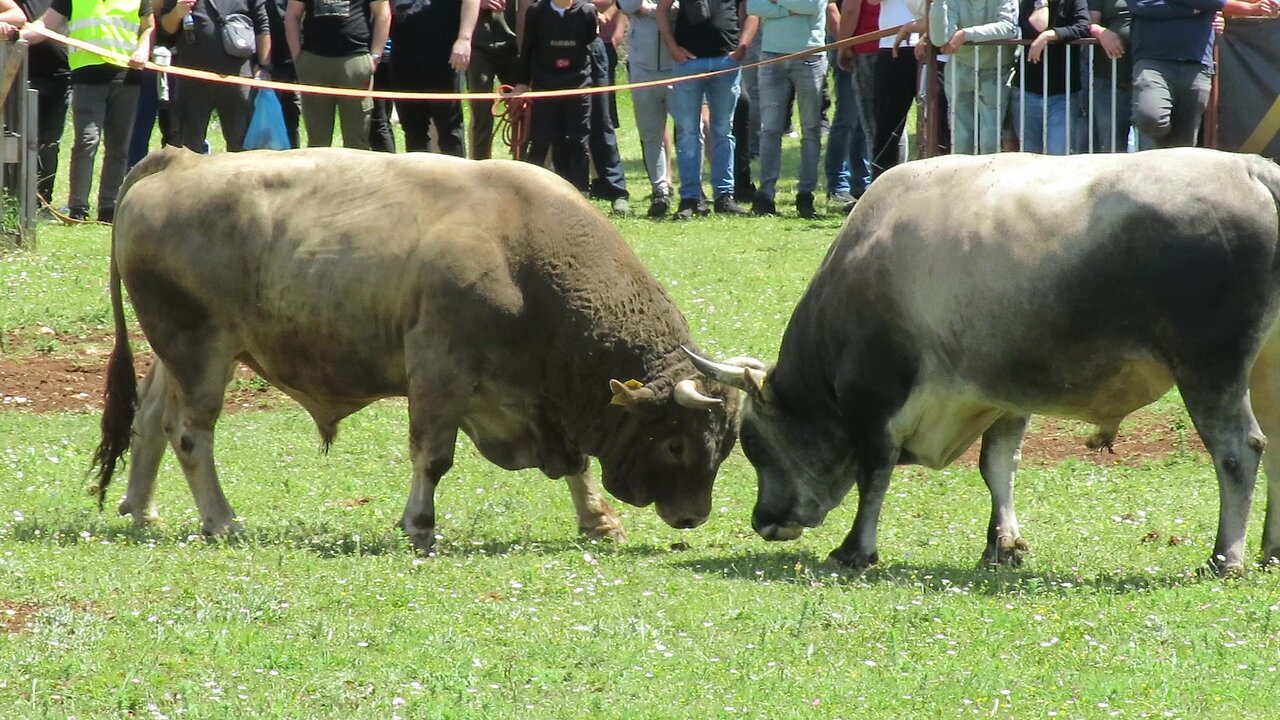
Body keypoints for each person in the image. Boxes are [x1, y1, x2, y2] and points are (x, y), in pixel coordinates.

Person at [20, 0, 154, 222]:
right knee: (86, 141)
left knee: (118, 146)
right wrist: (17, 35)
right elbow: (45, 25)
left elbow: (148, 27)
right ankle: (77, 208)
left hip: (127, 78)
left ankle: (109, 208)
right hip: (87, 79)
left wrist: (142, 49)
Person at [656, 0, 758, 218]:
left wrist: (743, 46)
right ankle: (690, 198)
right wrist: (673, 48)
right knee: (688, 132)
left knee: (723, 130)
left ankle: (724, 196)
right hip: (688, 63)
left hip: (726, 60)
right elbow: (662, 10)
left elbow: (753, 10)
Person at [1129, 0, 1277, 148]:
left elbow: (1216, 1)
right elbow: (1141, 5)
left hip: (1198, 62)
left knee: (1185, 141)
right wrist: (1194, 10)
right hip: (1152, 59)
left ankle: (1172, 165)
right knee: (1149, 116)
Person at [154, 0, 272, 153]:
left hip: (238, 79)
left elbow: (262, 26)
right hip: (192, 80)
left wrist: (264, 67)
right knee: (186, 150)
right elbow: (164, 29)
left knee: (243, 149)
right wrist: (177, 13)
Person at [747, 0, 826, 218]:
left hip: (810, 55)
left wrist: (776, 4)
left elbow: (811, 6)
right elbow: (753, 7)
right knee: (770, 129)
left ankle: (805, 195)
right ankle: (765, 195)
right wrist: (790, 7)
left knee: (811, 129)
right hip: (771, 55)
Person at [512, 0, 598, 192]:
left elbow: (590, 42)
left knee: (578, 139)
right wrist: (522, 81)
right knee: (542, 140)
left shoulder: (587, 12)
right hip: (545, 86)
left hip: (578, 86)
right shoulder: (536, 11)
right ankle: (529, 190)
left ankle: (581, 191)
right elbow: (528, 47)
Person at [284, 0, 390, 149]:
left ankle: (355, 173)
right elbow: (292, 16)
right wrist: (299, 58)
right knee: (317, 142)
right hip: (314, 61)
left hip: (355, 60)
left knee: (357, 140)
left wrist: (375, 56)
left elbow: (383, 14)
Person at [0, 0, 68, 207]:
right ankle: (15, 197)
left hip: (59, 73)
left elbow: (34, 23)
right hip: (19, 74)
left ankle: (43, 200)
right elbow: (17, 16)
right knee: (17, 138)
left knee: (49, 142)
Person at [928, 0, 1018, 154]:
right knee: (961, 139)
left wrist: (966, 34)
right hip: (961, 68)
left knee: (990, 140)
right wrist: (938, 4)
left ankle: (988, 177)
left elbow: (1009, 27)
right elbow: (939, 39)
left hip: (997, 69)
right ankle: (960, 177)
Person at [388, 0, 476, 155]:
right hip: (403, 55)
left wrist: (464, 39)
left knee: (449, 129)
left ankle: (456, 179)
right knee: (413, 128)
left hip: (443, 56)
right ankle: (419, 178)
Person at [619, 0, 677, 216]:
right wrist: (660, 10)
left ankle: (693, 190)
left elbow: (684, 10)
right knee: (650, 133)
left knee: (692, 130)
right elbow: (626, 5)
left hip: (678, 64)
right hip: (642, 66)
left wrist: (650, 9)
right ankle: (660, 189)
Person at [1011, 0, 1089, 154]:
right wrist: (1042, 4)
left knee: (1058, 156)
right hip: (1027, 92)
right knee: (1029, 157)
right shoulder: (1027, 2)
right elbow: (1032, 29)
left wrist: (1051, 34)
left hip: (1063, 94)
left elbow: (1083, 27)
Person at [823, 0, 869, 211]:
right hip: (851, 48)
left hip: (871, 46)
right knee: (848, 118)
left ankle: (861, 183)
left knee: (863, 121)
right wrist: (844, 44)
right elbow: (834, 9)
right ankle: (838, 183)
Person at [585, 0, 630, 214]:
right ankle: (577, 187)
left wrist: (607, 14)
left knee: (602, 122)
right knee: (561, 125)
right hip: (556, 49)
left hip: (595, 48)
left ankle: (616, 190)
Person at [468, 0, 521, 158]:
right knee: (481, 114)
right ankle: (480, 169)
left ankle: (522, 167)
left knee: (522, 112)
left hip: (514, 43)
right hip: (478, 44)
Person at [1084, 0, 1130, 151]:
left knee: (1152, 151)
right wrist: (1099, 32)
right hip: (1109, 78)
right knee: (1110, 148)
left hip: (1148, 77)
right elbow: (1087, 23)